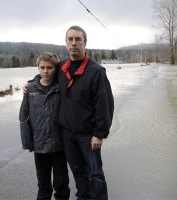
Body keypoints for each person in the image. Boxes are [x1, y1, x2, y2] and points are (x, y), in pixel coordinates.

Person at [58, 25, 114, 200]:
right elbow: (44, 75)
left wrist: (99, 133)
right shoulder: (61, 68)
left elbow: (105, 104)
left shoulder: (96, 71)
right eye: (70, 39)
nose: (74, 43)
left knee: (95, 173)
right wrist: (30, 85)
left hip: (88, 135)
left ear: (85, 43)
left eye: (78, 39)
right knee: (78, 172)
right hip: (67, 134)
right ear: (66, 43)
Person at [19, 51, 70, 200]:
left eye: (50, 67)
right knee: (43, 186)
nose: (46, 71)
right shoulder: (30, 89)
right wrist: (27, 142)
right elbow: (24, 117)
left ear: (56, 68)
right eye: (42, 67)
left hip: (59, 145)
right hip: (39, 146)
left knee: (61, 185)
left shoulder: (61, 87)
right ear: (38, 68)